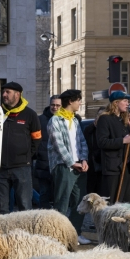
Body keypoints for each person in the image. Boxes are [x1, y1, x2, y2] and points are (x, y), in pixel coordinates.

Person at [47, 89, 90, 245]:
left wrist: (84, 159)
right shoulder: (55, 120)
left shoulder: (75, 120)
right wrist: (72, 162)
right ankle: (58, 236)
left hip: (79, 165)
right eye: (78, 100)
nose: (80, 103)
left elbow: (82, 142)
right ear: (71, 101)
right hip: (64, 166)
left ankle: (75, 233)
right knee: (62, 202)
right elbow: (59, 145)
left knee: (81, 202)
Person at [0, 81, 41, 214]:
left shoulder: (30, 114)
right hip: (0, 168)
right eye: (3, 92)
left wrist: (26, 155)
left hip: (22, 167)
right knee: (1, 207)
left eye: (7, 92)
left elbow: (37, 139)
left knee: (24, 205)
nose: (4, 95)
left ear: (17, 94)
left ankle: (25, 234)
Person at [96, 92, 130, 204]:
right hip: (113, 167)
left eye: (128, 101)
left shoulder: (124, 120)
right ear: (116, 103)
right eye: (125, 101)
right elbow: (102, 142)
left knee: (129, 202)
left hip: (127, 167)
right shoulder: (104, 119)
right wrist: (122, 141)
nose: (127, 104)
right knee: (113, 202)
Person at [34, 95, 60, 209]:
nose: (55, 107)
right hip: (43, 164)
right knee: (44, 194)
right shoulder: (41, 120)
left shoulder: (65, 119)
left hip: (59, 163)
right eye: (53, 105)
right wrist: (38, 153)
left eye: (58, 105)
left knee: (58, 195)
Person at [82, 106, 105, 196]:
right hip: (91, 165)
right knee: (91, 192)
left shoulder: (107, 129)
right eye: (98, 116)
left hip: (104, 165)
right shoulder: (89, 129)